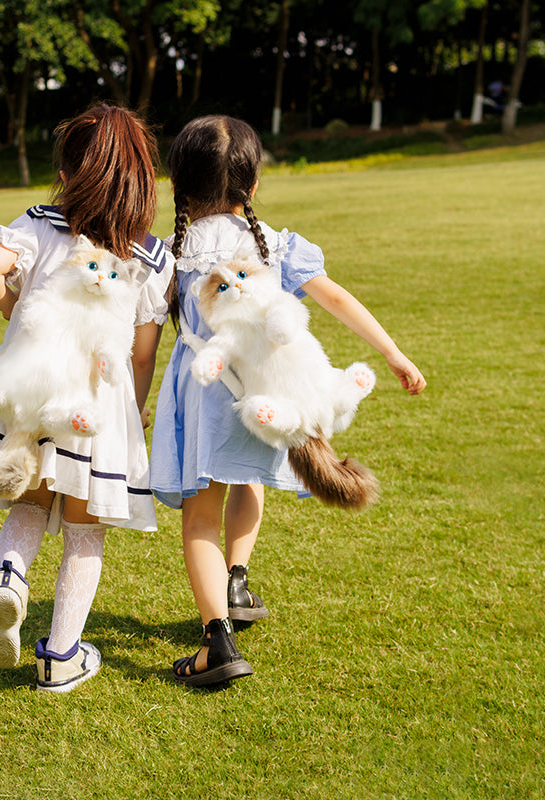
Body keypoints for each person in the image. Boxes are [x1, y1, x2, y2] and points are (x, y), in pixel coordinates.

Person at [150, 115, 426, 687]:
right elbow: (338, 300)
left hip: (204, 394)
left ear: (178, 182)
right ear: (252, 187)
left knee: (200, 515)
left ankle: (216, 642)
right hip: (262, 395)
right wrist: (394, 353)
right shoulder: (274, 245)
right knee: (247, 481)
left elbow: (145, 337)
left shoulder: (169, 254)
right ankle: (237, 579)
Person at [0, 104, 172, 693]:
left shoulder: (41, 222)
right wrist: (133, 410)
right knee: (85, 531)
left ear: (67, 174)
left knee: (30, 504)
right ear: (141, 182)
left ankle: (9, 581)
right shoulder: (148, 255)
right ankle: (62, 657)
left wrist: (19, 319)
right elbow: (141, 353)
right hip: (97, 408)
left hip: (31, 390)